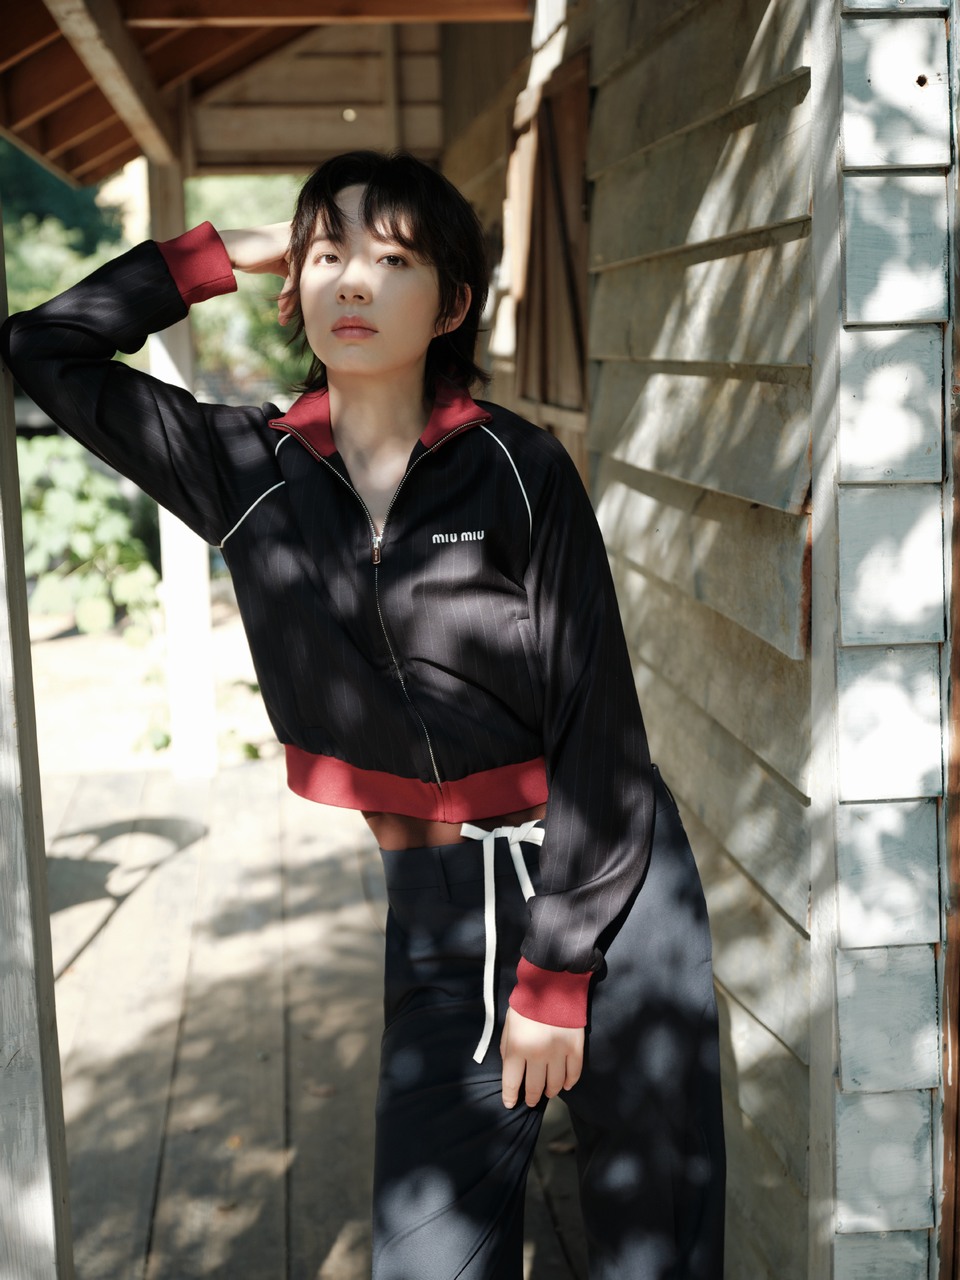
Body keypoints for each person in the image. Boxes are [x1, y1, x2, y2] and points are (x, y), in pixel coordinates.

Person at [1, 150, 725, 1278]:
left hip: (611, 887)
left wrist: (556, 971)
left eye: (393, 260)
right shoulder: (245, 468)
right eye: (327, 252)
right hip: (442, 906)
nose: (352, 281)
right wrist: (216, 253)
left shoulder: (519, 468)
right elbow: (42, 346)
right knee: (429, 1256)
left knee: (655, 1248)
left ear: (453, 303)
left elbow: (601, 726)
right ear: (294, 285)